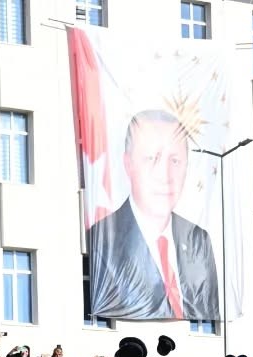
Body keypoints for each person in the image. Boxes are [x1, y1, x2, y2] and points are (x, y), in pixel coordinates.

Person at [86, 110, 220, 323]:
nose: (164, 175)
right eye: (151, 159)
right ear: (128, 164)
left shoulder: (197, 239)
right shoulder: (104, 237)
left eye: (175, 161)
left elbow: (208, 307)